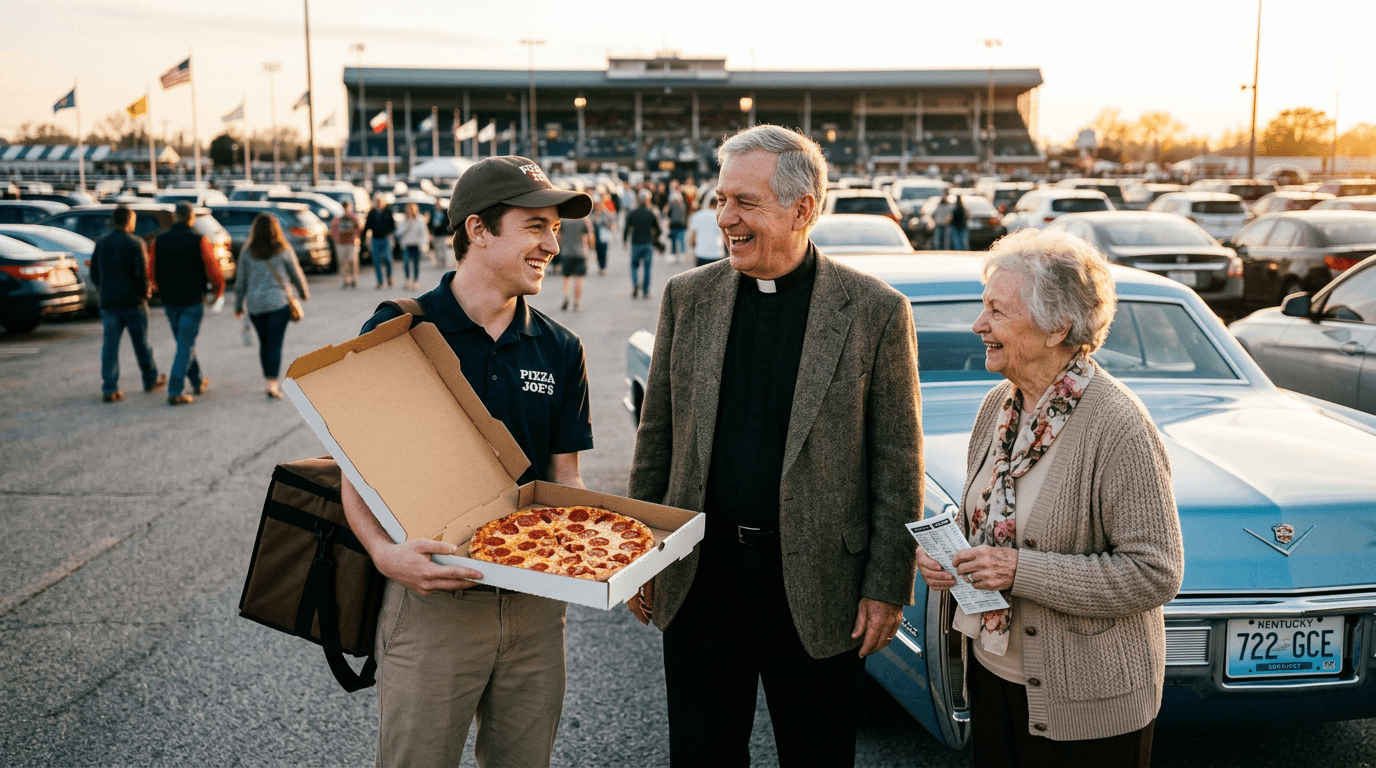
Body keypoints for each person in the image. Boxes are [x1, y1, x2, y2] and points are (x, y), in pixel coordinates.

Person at [626, 125, 924, 766]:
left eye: (744, 203)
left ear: (803, 210)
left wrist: (887, 586)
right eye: (721, 199)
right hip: (699, 581)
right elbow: (658, 438)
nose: (724, 218)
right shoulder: (688, 296)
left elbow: (898, 462)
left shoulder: (874, 311)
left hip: (820, 588)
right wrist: (637, 552)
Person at [340, 155, 594, 768]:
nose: (552, 245)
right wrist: (384, 554)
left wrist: (612, 552)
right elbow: (356, 468)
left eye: (555, 229)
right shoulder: (399, 329)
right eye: (536, 226)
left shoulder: (560, 348)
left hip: (536, 606)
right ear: (478, 230)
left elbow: (565, 478)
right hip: (434, 601)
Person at [915, 228, 1184, 767]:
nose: (978, 325)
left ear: (1057, 327)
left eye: (997, 311)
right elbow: (990, 524)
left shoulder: (1118, 425)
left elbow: (1156, 572)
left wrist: (1018, 570)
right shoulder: (1000, 405)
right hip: (994, 675)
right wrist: (953, 558)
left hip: (1089, 705)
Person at [149, 201, 224, 405]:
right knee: (185, 344)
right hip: (192, 299)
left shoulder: (159, 240)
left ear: (175, 217)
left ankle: (198, 381)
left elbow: (151, 269)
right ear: (191, 218)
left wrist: (159, 287)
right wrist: (219, 290)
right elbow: (213, 268)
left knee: (184, 343)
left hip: (170, 301)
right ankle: (175, 390)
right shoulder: (199, 240)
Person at [90, 205, 165, 402]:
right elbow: (141, 274)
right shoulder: (135, 243)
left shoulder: (102, 243)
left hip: (109, 303)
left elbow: (94, 274)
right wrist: (145, 292)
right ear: (129, 221)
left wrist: (103, 290)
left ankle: (109, 387)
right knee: (142, 344)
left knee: (110, 347)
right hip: (132, 302)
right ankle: (150, 379)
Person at [234, 213, 310, 400]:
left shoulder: (247, 251)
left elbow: (241, 281)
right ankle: (272, 384)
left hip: (255, 306)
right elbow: (295, 272)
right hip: (278, 304)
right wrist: (303, 292)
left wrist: (238, 305)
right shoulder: (282, 249)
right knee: (274, 345)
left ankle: (268, 379)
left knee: (264, 344)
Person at [623, 189, 661, 299]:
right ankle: (645, 291)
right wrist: (655, 237)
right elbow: (658, 229)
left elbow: (626, 228)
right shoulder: (651, 213)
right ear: (648, 200)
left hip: (636, 243)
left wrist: (625, 241)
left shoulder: (633, 213)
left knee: (634, 266)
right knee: (647, 268)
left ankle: (635, 284)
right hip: (648, 243)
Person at [557, 212, 593, 311]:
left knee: (566, 277)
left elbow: (558, 236)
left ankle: (566, 297)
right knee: (579, 279)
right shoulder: (583, 220)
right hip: (580, 253)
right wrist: (590, 251)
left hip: (566, 252)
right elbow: (588, 237)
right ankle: (576, 303)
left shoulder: (563, 220)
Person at [364, 195, 396, 289]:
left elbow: (392, 225)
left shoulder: (387, 211)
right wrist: (363, 237)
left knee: (388, 259)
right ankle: (380, 281)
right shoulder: (372, 212)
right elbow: (367, 225)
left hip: (385, 238)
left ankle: (389, 277)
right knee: (376, 261)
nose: (378, 203)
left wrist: (388, 231)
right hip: (375, 238)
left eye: (380, 201)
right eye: (376, 201)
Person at [330, 199, 363, 288]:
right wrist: (336, 238)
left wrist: (350, 217)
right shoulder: (338, 218)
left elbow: (359, 227)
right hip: (341, 242)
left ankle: (354, 278)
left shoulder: (353, 217)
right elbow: (333, 229)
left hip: (351, 242)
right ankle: (346, 280)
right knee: (343, 262)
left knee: (352, 260)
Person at [396, 202, 429, 291]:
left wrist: (424, 245)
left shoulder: (420, 220)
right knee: (406, 263)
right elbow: (398, 233)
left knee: (416, 264)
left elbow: (424, 233)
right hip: (407, 245)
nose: (410, 212)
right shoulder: (403, 221)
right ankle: (407, 280)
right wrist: (407, 226)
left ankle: (415, 281)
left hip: (416, 245)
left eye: (411, 210)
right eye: (408, 210)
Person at [686, 191, 725, 267]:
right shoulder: (719, 217)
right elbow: (724, 236)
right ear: (716, 205)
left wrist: (695, 248)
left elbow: (692, 238)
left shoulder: (697, 215)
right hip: (717, 254)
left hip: (701, 254)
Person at [590, 192, 616, 275]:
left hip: (604, 235)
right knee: (597, 251)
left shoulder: (606, 213)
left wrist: (606, 223)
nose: (598, 206)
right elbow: (590, 223)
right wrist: (595, 218)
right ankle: (600, 266)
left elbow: (611, 223)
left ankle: (603, 267)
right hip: (595, 235)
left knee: (603, 251)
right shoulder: (592, 214)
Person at [666, 179, 688, 259]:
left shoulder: (672, 204)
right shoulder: (684, 204)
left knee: (674, 240)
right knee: (681, 240)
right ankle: (682, 254)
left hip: (674, 224)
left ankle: (674, 254)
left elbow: (668, 214)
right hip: (681, 224)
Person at [429, 202, 453, 267]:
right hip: (435, 232)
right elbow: (430, 222)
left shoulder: (444, 213)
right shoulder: (433, 213)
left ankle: (444, 261)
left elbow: (447, 222)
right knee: (437, 248)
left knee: (442, 246)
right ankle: (438, 261)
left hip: (442, 233)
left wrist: (448, 231)